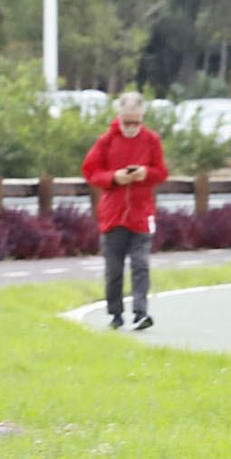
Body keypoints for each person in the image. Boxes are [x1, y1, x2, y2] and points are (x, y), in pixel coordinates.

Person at [82, 92, 167, 330]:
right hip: (113, 216)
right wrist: (114, 178)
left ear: (142, 118)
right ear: (118, 116)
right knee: (114, 269)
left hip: (141, 214)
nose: (130, 127)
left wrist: (145, 174)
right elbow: (90, 171)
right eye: (126, 122)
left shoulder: (152, 140)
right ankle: (115, 314)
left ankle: (141, 313)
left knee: (141, 265)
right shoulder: (106, 141)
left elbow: (161, 172)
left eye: (135, 122)